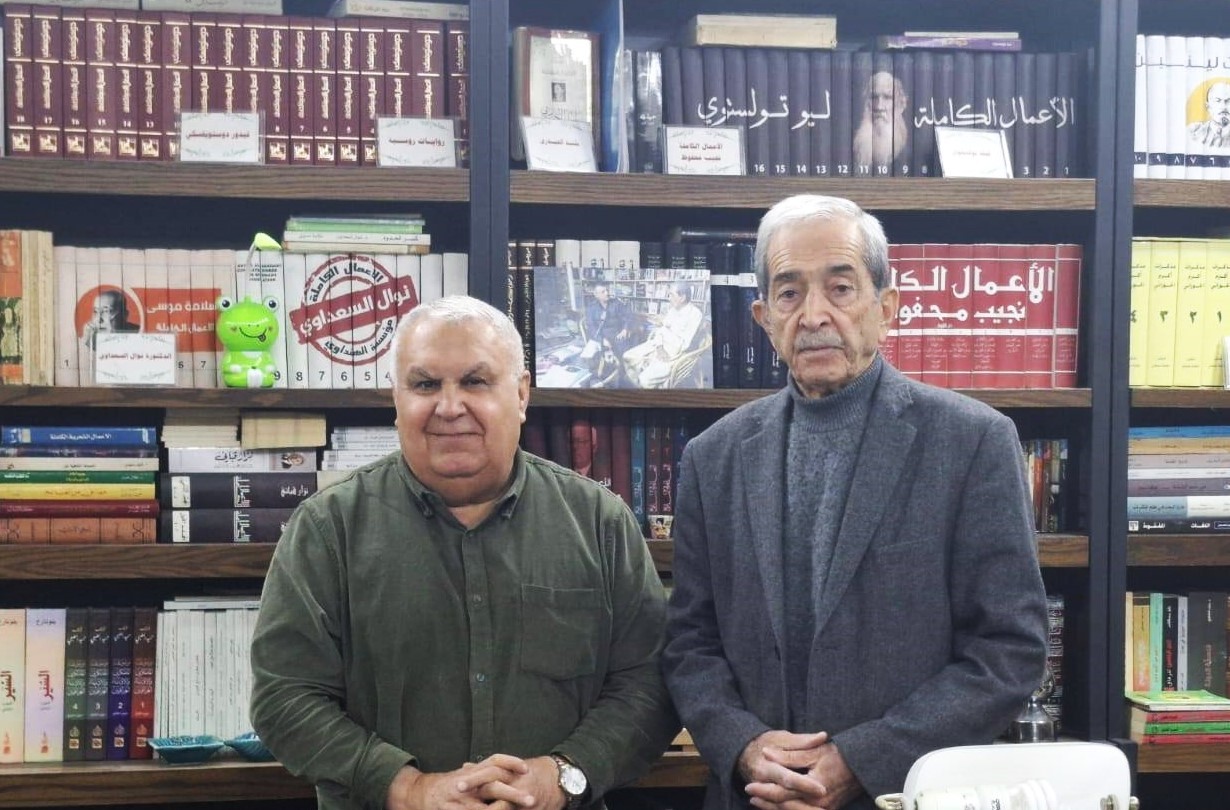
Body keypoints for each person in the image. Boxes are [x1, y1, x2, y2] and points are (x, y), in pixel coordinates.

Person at [660, 194, 1048, 810]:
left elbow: (1008, 651)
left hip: (903, 794)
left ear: (886, 307)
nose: (813, 315)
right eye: (789, 293)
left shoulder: (973, 442)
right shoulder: (714, 456)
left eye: (840, 288)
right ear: (763, 317)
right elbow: (689, 642)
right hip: (755, 795)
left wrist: (862, 760)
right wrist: (745, 746)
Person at [250, 295, 678, 810]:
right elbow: (284, 697)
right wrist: (409, 789)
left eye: (475, 381)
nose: (449, 407)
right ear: (395, 398)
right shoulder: (327, 529)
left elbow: (649, 684)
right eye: (425, 385)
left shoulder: (599, 522)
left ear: (521, 394)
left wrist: (560, 776)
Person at [621, 283, 704, 388]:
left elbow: (683, 344)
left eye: (671, 295)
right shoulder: (673, 309)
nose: (669, 298)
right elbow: (660, 331)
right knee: (627, 356)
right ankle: (637, 383)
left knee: (645, 379)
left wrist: (665, 331)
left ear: (682, 298)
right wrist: (660, 346)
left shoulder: (695, 314)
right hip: (658, 345)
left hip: (674, 354)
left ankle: (645, 387)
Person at [852, 70, 909, 172]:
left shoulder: (910, 156)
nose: (879, 107)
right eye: (873, 97)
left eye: (887, 97)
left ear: (901, 104)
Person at [1188, 81, 1230, 148]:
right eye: (1217, 101)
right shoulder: (1193, 132)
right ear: (1208, 107)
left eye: (1228, 101)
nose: (1223, 106)